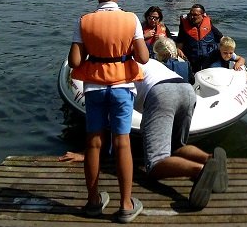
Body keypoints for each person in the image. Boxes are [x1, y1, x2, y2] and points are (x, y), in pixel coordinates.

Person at [59, 58, 229, 210]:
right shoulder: (142, 60)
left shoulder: (111, 72)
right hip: (186, 90)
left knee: (155, 164)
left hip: (160, 94)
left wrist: (88, 153)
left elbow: (106, 121)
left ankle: (199, 171)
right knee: (176, 147)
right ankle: (209, 158)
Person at [68, 0, 149, 223]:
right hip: (122, 87)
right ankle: (125, 205)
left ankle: (93, 201)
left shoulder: (84, 21)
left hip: (94, 88)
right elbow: (143, 58)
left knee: (93, 143)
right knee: (122, 142)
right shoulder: (131, 19)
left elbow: (75, 61)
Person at [177, 4, 223, 74]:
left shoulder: (209, 26)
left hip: (210, 59)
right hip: (192, 60)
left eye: (195, 15)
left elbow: (222, 39)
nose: (192, 17)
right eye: (190, 14)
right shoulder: (184, 27)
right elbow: (179, 44)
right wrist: (178, 50)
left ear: (202, 16)